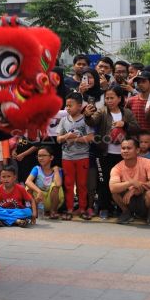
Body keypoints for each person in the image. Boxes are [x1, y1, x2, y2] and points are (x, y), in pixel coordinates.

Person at [84, 86, 140, 219]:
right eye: (107, 98)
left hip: (123, 155)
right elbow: (92, 121)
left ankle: (121, 208)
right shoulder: (102, 111)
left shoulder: (126, 113)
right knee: (104, 181)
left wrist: (124, 125)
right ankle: (104, 208)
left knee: (122, 182)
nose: (109, 100)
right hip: (104, 153)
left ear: (119, 98)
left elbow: (136, 128)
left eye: (112, 98)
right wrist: (87, 115)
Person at [57, 92, 94, 220]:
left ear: (79, 106)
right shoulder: (63, 120)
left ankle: (82, 208)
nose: (67, 108)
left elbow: (91, 137)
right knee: (68, 183)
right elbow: (58, 139)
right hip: (67, 157)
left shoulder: (85, 120)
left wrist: (76, 139)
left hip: (82, 156)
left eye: (70, 105)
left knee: (82, 184)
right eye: (66, 106)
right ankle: (69, 209)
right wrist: (66, 137)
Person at [109, 138, 150, 225]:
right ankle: (127, 212)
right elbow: (112, 188)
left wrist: (135, 189)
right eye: (123, 148)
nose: (125, 151)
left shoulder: (147, 163)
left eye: (129, 148)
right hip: (128, 199)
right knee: (115, 193)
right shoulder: (117, 168)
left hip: (144, 197)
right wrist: (130, 183)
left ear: (137, 150)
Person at [25, 146, 64, 220]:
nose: (41, 158)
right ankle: (33, 210)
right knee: (28, 187)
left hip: (51, 200)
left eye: (44, 155)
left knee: (55, 186)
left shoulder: (56, 170)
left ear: (51, 157)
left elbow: (58, 184)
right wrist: (39, 191)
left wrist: (56, 170)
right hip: (39, 200)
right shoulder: (37, 168)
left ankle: (53, 212)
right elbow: (28, 181)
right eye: (39, 156)